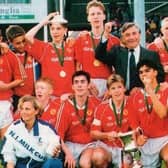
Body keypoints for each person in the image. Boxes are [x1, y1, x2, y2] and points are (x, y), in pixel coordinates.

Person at [14, 77, 76, 168]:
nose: (39, 91)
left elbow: (57, 137)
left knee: (52, 162)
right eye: (37, 88)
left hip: (51, 148)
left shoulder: (58, 109)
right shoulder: (27, 107)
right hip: (29, 147)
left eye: (42, 88)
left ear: (50, 91)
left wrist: (68, 153)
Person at [95, 22, 164, 94]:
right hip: (122, 96)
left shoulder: (151, 55)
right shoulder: (117, 52)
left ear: (139, 35)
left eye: (134, 33)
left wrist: (143, 89)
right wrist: (106, 34)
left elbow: (160, 77)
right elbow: (99, 55)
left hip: (144, 96)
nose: (131, 37)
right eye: (127, 35)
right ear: (123, 38)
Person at [25, 12, 77, 100]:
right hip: (50, 96)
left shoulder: (72, 46)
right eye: (52, 29)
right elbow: (28, 36)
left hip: (70, 94)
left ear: (65, 30)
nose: (55, 32)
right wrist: (43, 22)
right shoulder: (44, 48)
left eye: (58, 28)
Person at [1, 95, 63, 168]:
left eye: (27, 109)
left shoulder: (47, 128)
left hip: (40, 165)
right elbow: (8, 153)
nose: (23, 112)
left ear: (36, 111)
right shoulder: (14, 127)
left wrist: (55, 153)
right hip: (20, 164)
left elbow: (54, 154)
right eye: (21, 109)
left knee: (55, 163)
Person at [75, 0, 120, 98]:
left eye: (99, 13)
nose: (96, 16)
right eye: (92, 14)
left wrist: (111, 87)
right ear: (88, 18)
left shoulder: (114, 40)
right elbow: (78, 66)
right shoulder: (81, 39)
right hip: (88, 84)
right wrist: (87, 83)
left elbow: (118, 68)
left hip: (108, 84)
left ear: (104, 16)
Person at [56, 71, 100, 168]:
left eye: (82, 82)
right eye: (76, 82)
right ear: (72, 86)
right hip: (71, 145)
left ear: (88, 85)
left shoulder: (96, 103)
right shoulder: (65, 106)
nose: (79, 85)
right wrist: (68, 153)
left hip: (90, 144)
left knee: (85, 163)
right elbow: (58, 136)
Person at [128, 59, 168, 167]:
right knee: (129, 161)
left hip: (164, 139)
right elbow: (133, 124)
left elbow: (163, 114)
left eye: (147, 70)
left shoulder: (166, 90)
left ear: (155, 72)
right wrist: (138, 137)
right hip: (145, 140)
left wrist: (150, 90)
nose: (143, 74)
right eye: (141, 72)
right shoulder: (135, 97)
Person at [90, 74, 133, 168]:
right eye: (113, 88)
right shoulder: (102, 108)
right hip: (107, 145)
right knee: (97, 157)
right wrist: (106, 135)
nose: (117, 91)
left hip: (127, 144)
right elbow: (93, 133)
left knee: (127, 165)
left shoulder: (132, 103)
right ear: (109, 91)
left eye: (119, 87)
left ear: (124, 89)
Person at [6, 25, 40, 112]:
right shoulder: (8, 56)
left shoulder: (33, 51)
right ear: (10, 42)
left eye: (23, 41)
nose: (22, 45)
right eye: (18, 43)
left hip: (35, 96)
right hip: (16, 99)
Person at [0, 43, 26, 139]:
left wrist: (6, 86)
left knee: (6, 141)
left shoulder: (9, 55)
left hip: (4, 103)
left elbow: (22, 77)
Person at [147, 17, 168, 82]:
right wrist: (162, 68)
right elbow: (146, 69)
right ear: (161, 30)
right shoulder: (152, 47)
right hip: (160, 87)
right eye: (167, 28)